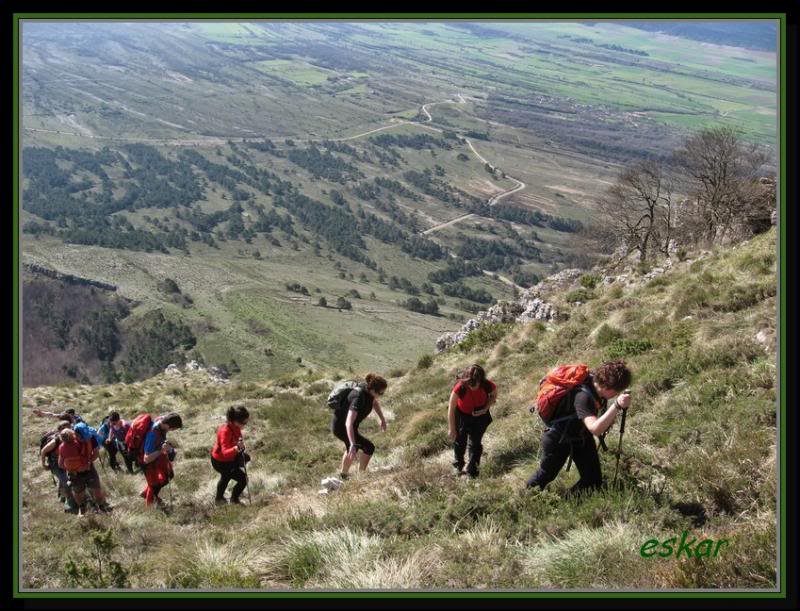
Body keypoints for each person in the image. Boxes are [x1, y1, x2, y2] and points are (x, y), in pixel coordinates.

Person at [525, 359, 632, 497]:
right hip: (558, 438)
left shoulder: (595, 384)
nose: (616, 395)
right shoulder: (583, 397)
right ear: (607, 387)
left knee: (593, 481)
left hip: (580, 436)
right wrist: (616, 406)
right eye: (616, 391)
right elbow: (595, 428)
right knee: (546, 474)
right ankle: (525, 498)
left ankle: (567, 501)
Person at [331, 373, 387, 479]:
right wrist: (352, 443)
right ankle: (360, 476)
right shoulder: (359, 397)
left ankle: (343, 475)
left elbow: (374, 403)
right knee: (368, 447)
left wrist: (382, 419)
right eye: (381, 393)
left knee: (353, 448)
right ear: (373, 390)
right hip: (341, 427)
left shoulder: (368, 391)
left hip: (348, 426)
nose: (381, 395)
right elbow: (348, 422)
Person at [447, 364, 497, 478]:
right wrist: (452, 428)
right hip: (461, 416)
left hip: (480, 417)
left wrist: (485, 409)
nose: (473, 387)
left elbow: (493, 397)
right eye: (470, 384)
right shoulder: (460, 387)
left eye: (476, 384)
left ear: (480, 380)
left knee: (475, 444)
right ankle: (458, 466)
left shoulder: (487, 385)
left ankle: (472, 472)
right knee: (459, 442)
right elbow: (451, 408)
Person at [57, 427, 111, 516]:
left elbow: (60, 464)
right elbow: (89, 454)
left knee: (78, 492)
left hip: (74, 474)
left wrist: (72, 468)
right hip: (87, 470)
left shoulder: (61, 447)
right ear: (72, 435)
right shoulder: (79, 442)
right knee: (96, 489)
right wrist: (86, 464)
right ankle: (102, 507)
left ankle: (82, 510)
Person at [210, 405, 251, 505]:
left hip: (229, 459)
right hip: (220, 461)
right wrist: (236, 448)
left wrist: (241, 448)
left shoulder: (235, 427)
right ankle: (233, 499)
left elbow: (237, 440)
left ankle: (220, 499)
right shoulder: (225, 431)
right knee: (242, 479)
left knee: (227, 477)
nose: (245, 425)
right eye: (244, 422)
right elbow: (225, 452)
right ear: (237, 421)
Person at [140, 413, 182, 508]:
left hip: (157, 457)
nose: (172, 430)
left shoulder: (162, 421)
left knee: (169, 475)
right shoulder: (152, 435)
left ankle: (146, 493)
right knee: (154, 485)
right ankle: (149, 507)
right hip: (148, 462)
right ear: (167, 425)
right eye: (173, 429)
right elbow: (146, 459)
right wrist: (162, 450)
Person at [40, 419, 79, 513]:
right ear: (60, 430)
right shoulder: (55, 441)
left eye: (69, 426)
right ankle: (69, 505)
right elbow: (44, 451)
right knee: (67, 482)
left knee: (64, 480)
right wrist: (44, 465)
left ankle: (62, 497)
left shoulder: (71, 436)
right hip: (55, 464)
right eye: (65, 427)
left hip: (64, 461)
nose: (68, 428)